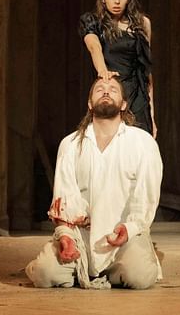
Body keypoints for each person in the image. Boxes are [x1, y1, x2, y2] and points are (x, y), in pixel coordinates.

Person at [25, 76, 163, 290]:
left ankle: (124, 263)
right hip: (81, 235)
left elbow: (146, 196)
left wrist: (130, 228)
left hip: (125, 235)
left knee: (139, 276)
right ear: (90, 104)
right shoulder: (71, 144)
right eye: (100, 89)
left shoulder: (142, 143)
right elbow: (64, 196)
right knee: (44, 274)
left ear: (124, 105)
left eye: (113, 89)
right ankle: (85, 268)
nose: (106, 91)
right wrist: (66, 236)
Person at [79, 0, 156, 138]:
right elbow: (94, 47)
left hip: (138, 98)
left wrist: (152, 115)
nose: (117, 1)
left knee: (138, 146)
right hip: (111, 94)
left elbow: (146, 72)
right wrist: (103, 71)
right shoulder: (93, 21)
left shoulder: (142, 23)